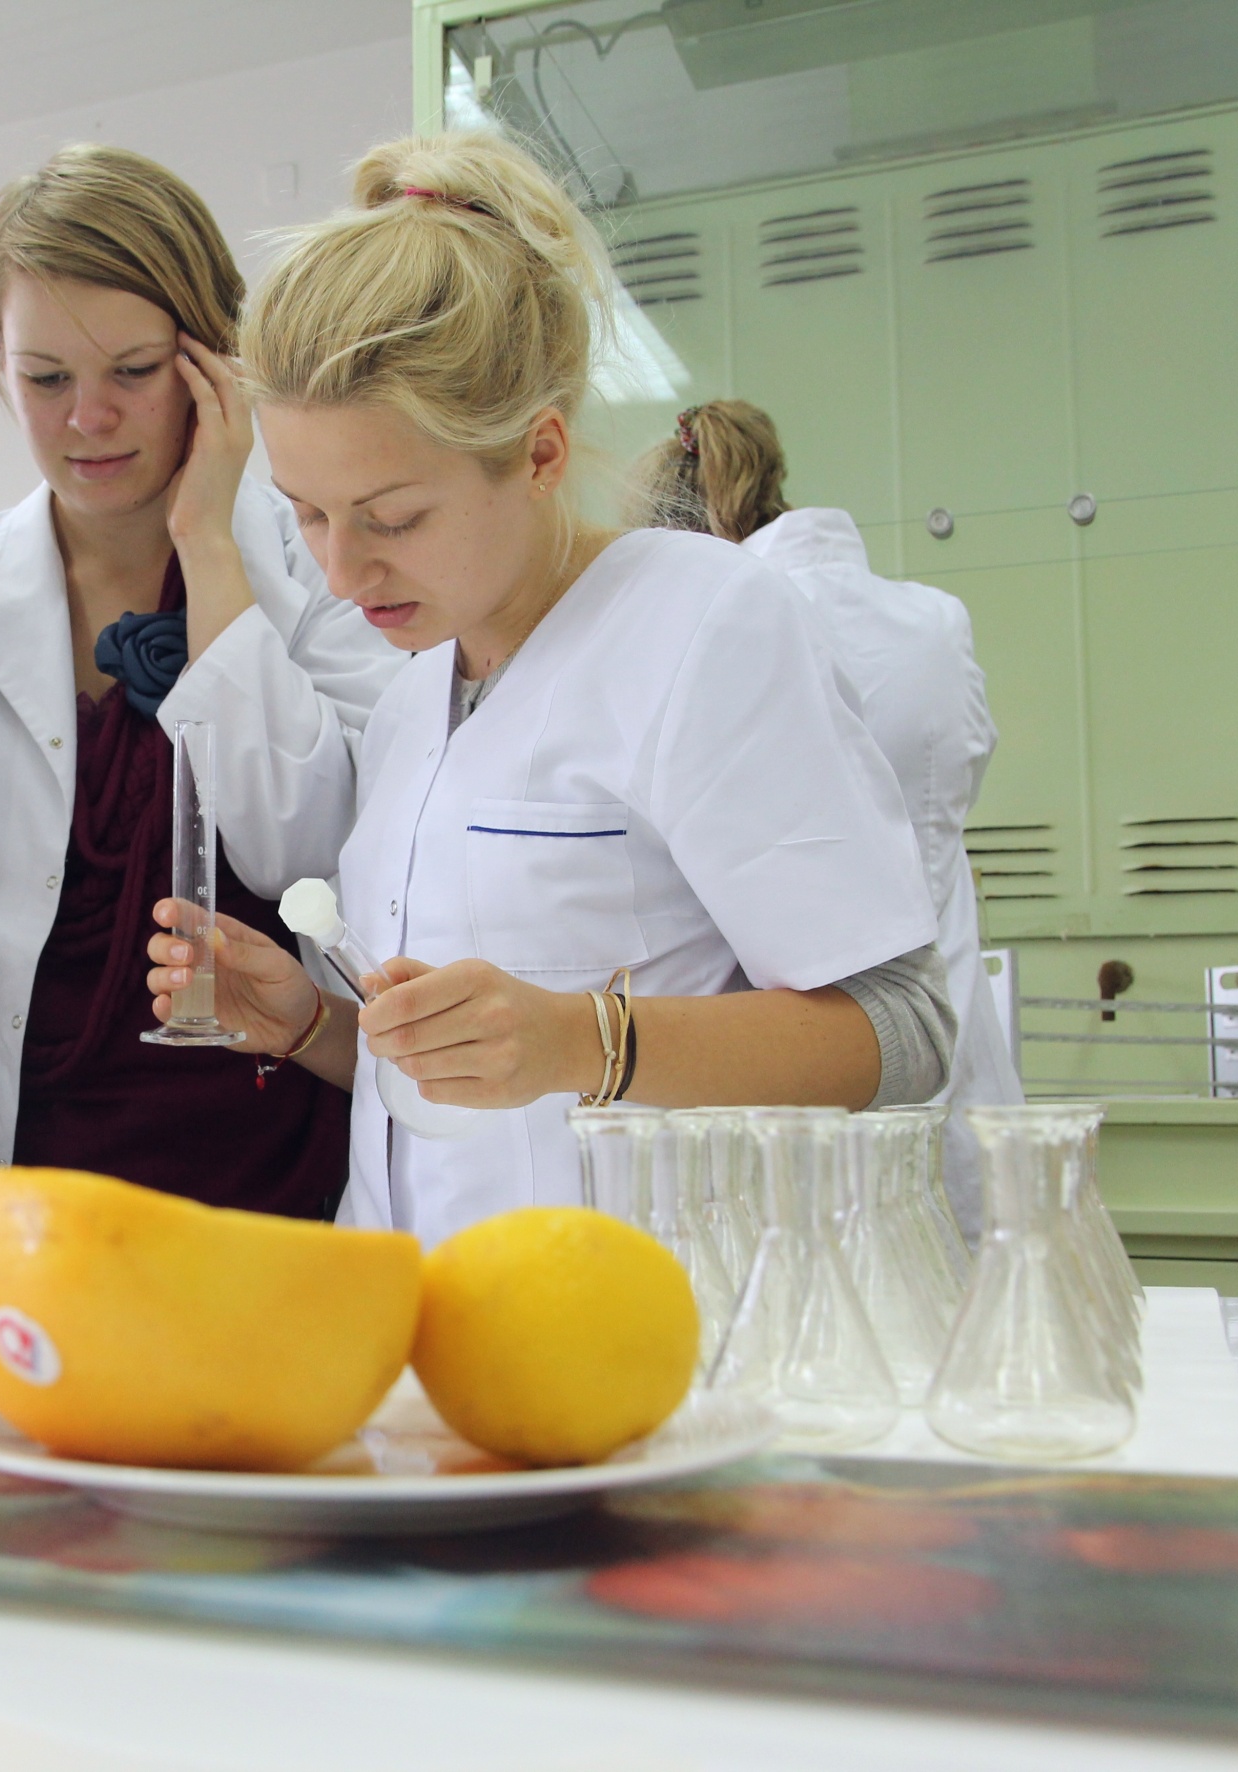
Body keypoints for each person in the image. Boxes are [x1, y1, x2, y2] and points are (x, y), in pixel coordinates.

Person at [145, 134, 954, 1247]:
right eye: (307, 513)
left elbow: (903, 1032)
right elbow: (462, 1087)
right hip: (428, 1305)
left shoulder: (696, 623)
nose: (340, 571)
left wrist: (583, 1040)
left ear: (537, 454)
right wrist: (311, 1026)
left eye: (392, 518)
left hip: (645, 1313)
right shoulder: (415, 695)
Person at [0, 145, 402, 1217]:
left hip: (282, 1183)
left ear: (210, 362)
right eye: (45, 378)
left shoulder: (323, 566)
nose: (87, 418)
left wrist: (209, 546)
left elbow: (305, 848)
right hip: (29, 1190)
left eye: (133, 372)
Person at [629, 398, 1020, 1231]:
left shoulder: (714, 627)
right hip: (945, 1014)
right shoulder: (933, 621)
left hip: (794, 1050)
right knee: (957, 1270)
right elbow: (967, 768)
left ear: (672, 539)